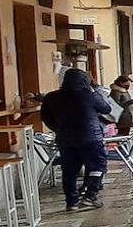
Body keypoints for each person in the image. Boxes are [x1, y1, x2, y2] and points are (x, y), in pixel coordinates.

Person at [39, 68, 110, 211]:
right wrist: (94, 92)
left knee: (70, 171)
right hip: (91, 138)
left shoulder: (51, 97)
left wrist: (58, 129)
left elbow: (45, 118)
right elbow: (106, 109)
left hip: (66, 139)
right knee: (98, 165)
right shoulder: (89, 95)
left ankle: (71, 202)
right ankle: (90, 196)